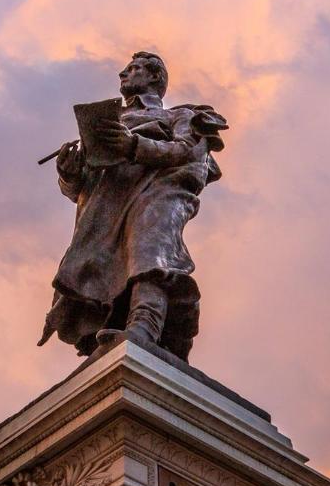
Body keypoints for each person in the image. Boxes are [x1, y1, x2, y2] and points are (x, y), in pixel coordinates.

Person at [38, 51, 226, 361]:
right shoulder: (111, 122)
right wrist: (69, 174)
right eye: (125, 69)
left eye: (134, 68)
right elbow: (82, 188)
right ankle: (114, 329)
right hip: (107, 210)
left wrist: (133, 145)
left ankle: (143, 327)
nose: (123, 74)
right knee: (104, 268)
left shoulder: (180, 116)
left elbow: (187, 151)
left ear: (154, 77)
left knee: (150, 251)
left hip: (158, 194)